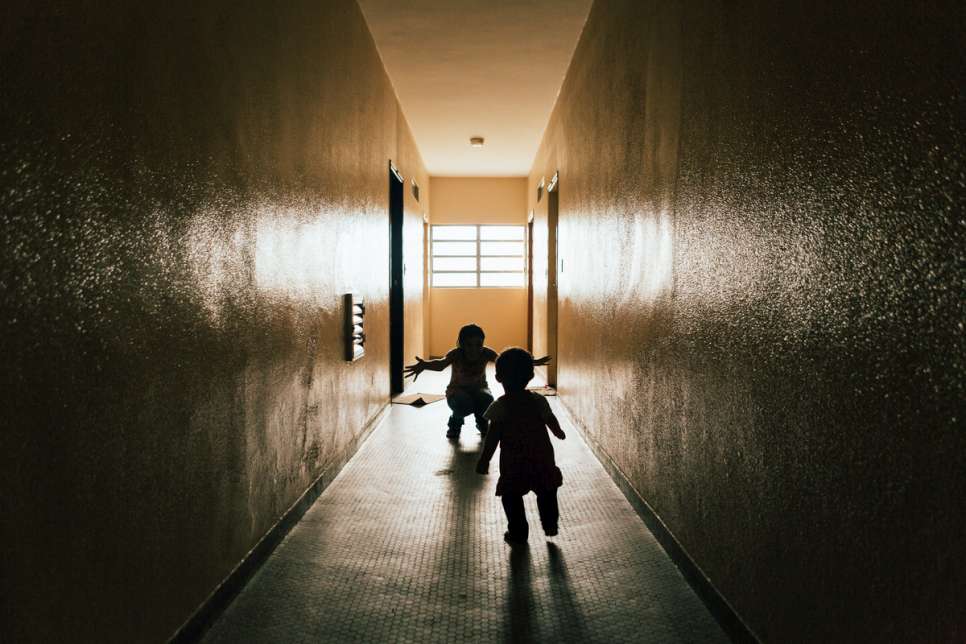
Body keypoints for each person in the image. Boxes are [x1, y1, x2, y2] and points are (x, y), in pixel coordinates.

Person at [475, 347, 565, 545]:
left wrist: (484, 460)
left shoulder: (499, 406)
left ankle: (518, 532)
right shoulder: (538, 399)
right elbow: (550, 419)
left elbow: (492, 437)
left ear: (498, 377)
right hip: (542, 458)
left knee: (511, 496)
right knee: (547, 491)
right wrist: (559, 433)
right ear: (531, 375)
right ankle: (550, 524)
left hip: (514, 463)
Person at [403, 324, 549, 439]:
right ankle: (455, 421)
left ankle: (482, 421)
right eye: (469, 345)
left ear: (483, 343)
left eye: (478, 344)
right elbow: (441, 364)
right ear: (461, 344)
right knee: (463, 403)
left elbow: (505, 361)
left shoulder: (486, 353)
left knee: (487, 400)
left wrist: (529, 361)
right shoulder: (456, 354)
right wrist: (424, 365)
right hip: (457, 392)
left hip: (480, 390)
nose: (474, 349)